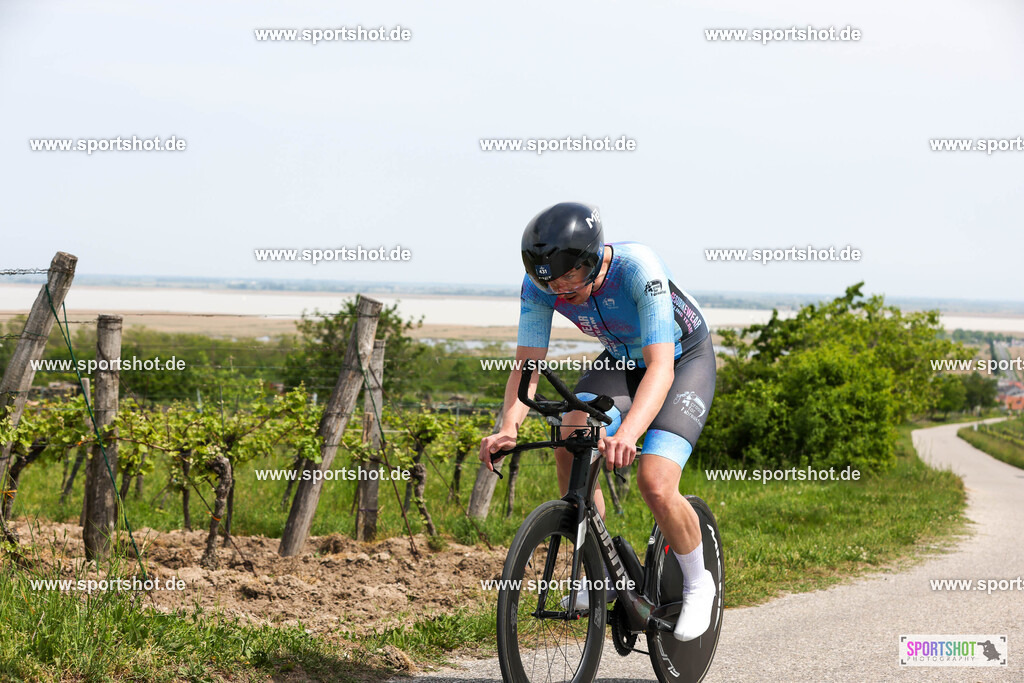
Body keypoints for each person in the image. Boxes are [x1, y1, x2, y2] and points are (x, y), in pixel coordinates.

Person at [478, 201, 717, 642]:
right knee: (573, 435)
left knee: (655, 480)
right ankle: (598, 570)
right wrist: (509, 426)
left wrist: (628, 433)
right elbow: (527, 364)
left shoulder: (638, 269)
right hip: (624, 360)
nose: (560, 294)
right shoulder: (542, 287)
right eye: (550, 283)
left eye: (570, 281)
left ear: (591, 260)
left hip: (682, 361)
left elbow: (661, 368)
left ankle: (699, 583)